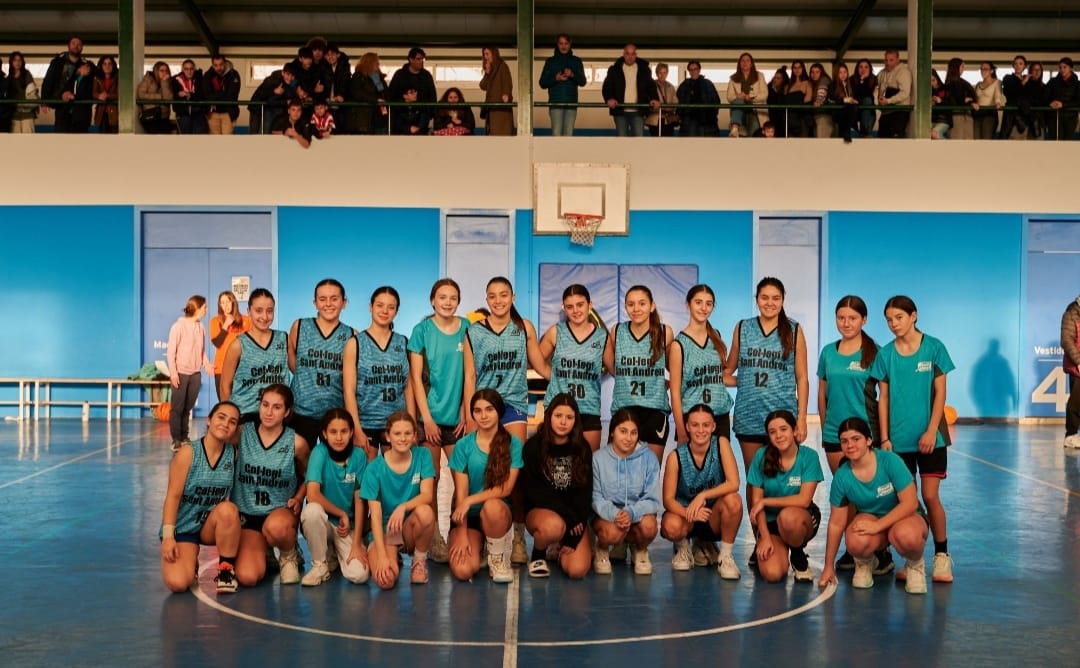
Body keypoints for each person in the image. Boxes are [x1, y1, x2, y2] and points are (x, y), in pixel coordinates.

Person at [870, 295, 955, 584]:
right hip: (897, 441)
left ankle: (941, 556)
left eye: (899, 317)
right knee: (908, 502)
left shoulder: (934, 348)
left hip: (931, 438)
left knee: (930, 497)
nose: (894, 324)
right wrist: (885, 438)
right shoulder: (885, 355)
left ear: (914, 316)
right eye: (889, 320)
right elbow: (883, 399)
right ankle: (913, 559)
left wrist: (931, 431)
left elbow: (941, 393)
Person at [463, 276, 548, 564]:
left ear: (513, 297)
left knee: (515, 470)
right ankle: (485, 531)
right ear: (486, 300)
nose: (498, 300)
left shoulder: (523, 328)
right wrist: (469, 414)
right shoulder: (474, 332)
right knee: (483, 469)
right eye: (492, 296)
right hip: (484, 407)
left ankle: (518, 535)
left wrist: (563, 380)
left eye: (503, 295)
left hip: (513, 406)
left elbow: (539, 364)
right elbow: (470, 376)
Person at [817, 417, 930, 594]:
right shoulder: (842, 476)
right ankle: (865, 563)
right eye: (844, 441)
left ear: (869, 440)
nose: (850, 445)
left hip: (905, 517)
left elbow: (910, 503)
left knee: (906, 536)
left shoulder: (889, 461)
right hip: (871, 519)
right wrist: (828, 566)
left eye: (856, 439)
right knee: (855, 540)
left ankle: (915, 565)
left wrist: (878, 525)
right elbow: (836, 523)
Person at [816, 295, 882, 571]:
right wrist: (825, 428)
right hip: (835, 435)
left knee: (869, 495)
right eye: (841, 318)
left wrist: (883, 436)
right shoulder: (828, 353)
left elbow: (885, 396)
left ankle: (880, 551)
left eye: (852, 318)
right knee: (847, 493)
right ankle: (853, 548)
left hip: (866, 435)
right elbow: (822, 394)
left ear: (863, 320)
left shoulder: (875, 352)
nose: (846, 323)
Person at [408, 278, 470, 563]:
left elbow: (469, 375)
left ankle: (459, 530)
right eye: (442, 297)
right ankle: (434, 538)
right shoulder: (421, 331)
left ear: (458, 301)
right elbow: (416, 380)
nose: (447, 302)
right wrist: (427, 420)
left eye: (452, 298)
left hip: (457, 420)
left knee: (464, 479)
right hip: (429, 419)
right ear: (432, 300)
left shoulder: (467, 328)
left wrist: (466, 411)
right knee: (430, 481)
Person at [726, 277, 808, 483]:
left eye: (775, 298)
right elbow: (728, 370)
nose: (770, 303)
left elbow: (802, 378)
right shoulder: (743, 328)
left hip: (783, 416)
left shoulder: (794, 330)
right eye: (764, 297)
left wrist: (801, 419)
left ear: (782, 300)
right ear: (757, 299)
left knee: (783, 480)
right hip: (749, 416)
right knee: (754, 479)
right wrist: (743, 381)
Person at [159, 401, 241, 594]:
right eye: (221, 417)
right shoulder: (188, 453)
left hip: (209, 525)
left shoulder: (233, 455)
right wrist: (168, 537)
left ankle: (226, 571)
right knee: (178, 583)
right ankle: (190, 559)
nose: (225, 424)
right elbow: (172, 496)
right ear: (209, 420)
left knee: (228, 510)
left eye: (232, 421)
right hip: (184, 526)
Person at [232, 384, 309, 587]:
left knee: (276, 528)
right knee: (247, 577)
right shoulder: (242, 433)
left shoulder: (297, 443)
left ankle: (289, 553)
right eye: (265, 405)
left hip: (279, 513)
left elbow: (309, 476)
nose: (269, 412)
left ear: (287, 412)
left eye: (277, 407)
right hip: (248, 515)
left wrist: (299, 498)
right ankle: (264, 550)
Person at [447, 389, 524, 584]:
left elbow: (506, 489)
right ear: (472, 414)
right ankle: (480, 545)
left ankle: (496, 558)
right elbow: (461, 494)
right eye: (478, 410)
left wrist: (470, 500)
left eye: (489, 409)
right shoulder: (463, 446)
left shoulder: (513, 444)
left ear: (499, 411)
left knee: (492, 505)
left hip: (497, 514)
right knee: (463, 571)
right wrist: (462, 534)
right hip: (469, 517)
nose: (483, 415)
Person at [660, 404, 743, 578]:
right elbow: (668, 500)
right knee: (671, 525)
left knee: (734, 501)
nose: (700, 430)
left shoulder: (721, 444)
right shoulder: (676, 456)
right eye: (695, 425)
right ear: (687, 427)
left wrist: (703, 495)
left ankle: (725, 557)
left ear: (713, 426)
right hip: (686, 516)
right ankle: (682, 548)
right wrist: (689, 513)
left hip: (711, 516)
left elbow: (734, 483)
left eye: (706, 425)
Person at [521, 393, 593, 579]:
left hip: (573, 517)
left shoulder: (582, 448)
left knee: (577, 570)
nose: (563, 422)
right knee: (553, 526)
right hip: (542, 513)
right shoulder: (533, 447)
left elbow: (585, 493)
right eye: (558, 416)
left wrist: (575, 530)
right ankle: (538, 555)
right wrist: (569, 517)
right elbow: (534, 492)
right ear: (549, 417)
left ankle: (560, 547)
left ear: (575, 421)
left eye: (569, 417)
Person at [360, 412, 437, 588]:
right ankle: (389, 554)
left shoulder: (422, 455)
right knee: (386, 581)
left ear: (414, 436)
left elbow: (427, 495)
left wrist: (403, 507)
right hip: (385, 531)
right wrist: (381, 557)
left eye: (408, 433)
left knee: (425, 512)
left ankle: (419, 562)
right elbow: (376, 516)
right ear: (388, 436)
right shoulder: (374, 469)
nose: (403, 438)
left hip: (408, 528)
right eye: (397, 433)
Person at [747, 410, 823, 583]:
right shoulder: (761, 456)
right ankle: (775, 547)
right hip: (770, 522)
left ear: (794, 430)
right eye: (772, 432)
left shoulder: (809, 456)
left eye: (783, 429)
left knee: (788, 517)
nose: (778, 435)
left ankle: (797, 554)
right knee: (772, 574)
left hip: (799, 518)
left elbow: (804, 500)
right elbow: (756, 504)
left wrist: (766, 501)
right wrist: (765, 537)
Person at [300, 408, 370, 586]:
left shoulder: (359, 456)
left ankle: (334, 552)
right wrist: (341, 513)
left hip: (346, 528)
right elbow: (312, 494)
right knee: (311, 511)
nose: (339, 437)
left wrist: (356, 544)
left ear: (351, 432)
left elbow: (360, 501)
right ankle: (320, 565)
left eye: (344, 431)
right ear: (324, 433)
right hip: (324, 521)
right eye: (333, 432)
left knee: (359, 575)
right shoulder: (319, 453)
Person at [605, 284, 674, 461]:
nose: (636, 309)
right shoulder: (617, 331)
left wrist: (663, 382)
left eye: (642, 303)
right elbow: (612, 367)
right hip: (624, 407)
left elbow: (673, 368)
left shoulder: (665, 332)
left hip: (655, 410)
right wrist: (627, 377)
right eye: (631, 304)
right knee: (618, 469)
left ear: (652, 306)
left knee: (651, 469)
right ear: (626, 307)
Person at [538, 284, 608, 451]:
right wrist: (553, 376)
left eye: (580, 305)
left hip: (589, 408)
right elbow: (537, 360)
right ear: (564, 308)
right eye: (569, 306)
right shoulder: (556, 332)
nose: (575, 310)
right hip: (558, 407)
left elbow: (616, 369)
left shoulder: (602, 337)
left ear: (590, 305)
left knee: (588, 462)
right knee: (555, 461)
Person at [592, 408, 662, 575]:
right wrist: (615, 514)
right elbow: (596, 497)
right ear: (612, 432)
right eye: (623, 431)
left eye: (633, 433)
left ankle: (640, 550)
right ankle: (602, 548)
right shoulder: (598, 458)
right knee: (611, 533)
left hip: (635, 516)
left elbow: (652, 499)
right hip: (608, 518)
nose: (628, 438)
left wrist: (631, 512)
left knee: (649, 526)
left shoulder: (649, 458)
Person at [288, 279, 355, 452]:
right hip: (301, 411)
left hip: (334, 415)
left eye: (334, 298)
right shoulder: (300, 326)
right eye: (322, 299)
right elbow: (292, 360)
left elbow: (351, 377)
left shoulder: (352, 335)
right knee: (299, 463)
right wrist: (307, 377)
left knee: (334, 464)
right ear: (315, 303)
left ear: (344, 303)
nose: (328, 304)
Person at [343, 286, 413, 453]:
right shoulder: (355, 343)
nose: (385, 311)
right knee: (367, 470)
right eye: (380, 305)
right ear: (371, 307)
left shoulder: (403, 342)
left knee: (396, 469)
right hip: (366, 423)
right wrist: (356, 429)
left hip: (397, 423)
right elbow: (348, 391)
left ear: (396, 311)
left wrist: (411, 423)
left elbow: (408, 387)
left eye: (391, 307)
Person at [668, 284, 734, 447]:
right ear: (688, 304)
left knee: (720, 463)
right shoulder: (678, 345)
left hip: (720, 416)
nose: (704, 308)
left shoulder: (716, 336)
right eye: (698, 302)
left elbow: (717, 377)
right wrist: (681, 430)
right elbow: (675, 393)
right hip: (693, 419)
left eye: (708, 304)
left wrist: (746, 379)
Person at [219, 288, 289, 424]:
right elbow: (224, 386)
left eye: (269, 311)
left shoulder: (283, 339)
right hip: (246, 415)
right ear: (248, 311)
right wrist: (230, 418)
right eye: (258, 311)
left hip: (276, 416)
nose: (264, 316)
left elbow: (299, 368)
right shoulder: (238, 345)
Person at [167, 295, 214, 452]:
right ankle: (176, 439)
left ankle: (184, 437)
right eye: (204, 307)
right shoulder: (178, 327)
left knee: (187, 408)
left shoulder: (201, 327)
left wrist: (206, 364)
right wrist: (174, 373)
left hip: (195, 374)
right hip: (181, 373)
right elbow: (171, 352)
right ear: (197, 308)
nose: (206, 310)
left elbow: (202, 351)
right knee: (177, 408)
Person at [601, 43, 659, 137]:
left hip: (638, 111)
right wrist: (609, 98)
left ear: (636, 55)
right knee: (622, 138)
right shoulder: (614, 69)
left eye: (632, 54)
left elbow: (651, 86)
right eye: (627, 54)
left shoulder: (644, 69)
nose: (630, 57)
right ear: (623, 54)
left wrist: (654, 98)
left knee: (638, 137)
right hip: (620, 111)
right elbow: (607, 87)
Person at [539, 33, 586, 136]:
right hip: (555, 103)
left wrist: (572, 75)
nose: (563, 46)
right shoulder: (550, 61)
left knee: (568, 134)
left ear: (570, 44)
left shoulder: (577, 61)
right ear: (557, 44)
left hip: (571, 104)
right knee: (556, 133)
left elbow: (583, 82)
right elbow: (542, 83)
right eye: (561, 43)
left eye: (566, 43)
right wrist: (556, 78)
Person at [387, 47, 437, 135]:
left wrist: (430, 114)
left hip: (421, 116)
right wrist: (405, 101)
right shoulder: (399, 75)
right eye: (418, 59)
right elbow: (391, 95)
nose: (421, 61)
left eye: (423, 59)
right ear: (411, 59)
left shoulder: (426, 76)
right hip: (401, 116)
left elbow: (432, 96)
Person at [210, 290, 250, 400]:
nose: (225, 305)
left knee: (241, 403)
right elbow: (217, 343)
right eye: (222, 302)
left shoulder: (246, 320)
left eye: (228, 301)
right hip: (221, 368)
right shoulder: (215, 321)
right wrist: (226, 325)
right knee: (225, 404)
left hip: (241, 368)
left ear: (233, 302)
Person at [41, 36, 85, 133]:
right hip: (61, 106)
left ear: (82, 48)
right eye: (73, 43)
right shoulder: (57, 62)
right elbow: (48, 81)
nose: (76, 46)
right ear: (68, 46)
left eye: (79, 44)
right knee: (61, 136)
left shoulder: (85, 64)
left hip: (78, 109)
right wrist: (44, 101)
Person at [726, 52, 768, 138]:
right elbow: (729, 97)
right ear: (739, 63)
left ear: (751, 63)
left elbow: (765, 94)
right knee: (738, 100)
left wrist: (750, 97)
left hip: (754, 111)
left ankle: (735, 127)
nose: (745, 63)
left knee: (754, 137)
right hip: (739, 112)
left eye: (747, 60)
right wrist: (738, 96)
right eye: (742, 61)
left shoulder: (759, 76)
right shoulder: (733, 78)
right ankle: (735, 128)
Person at [249, 63, 299, 135]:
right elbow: (266, 97)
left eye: (292, 76)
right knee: (255, 132)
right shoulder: (274, 80)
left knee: (265, 130)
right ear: (283, 73)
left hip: (269, 108)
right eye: (288, 74)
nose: (290, 78)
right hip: (256, 106)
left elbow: (288, 95)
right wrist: (274, 92)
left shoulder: (287, 83)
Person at [677, 60, 721, 137]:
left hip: (707, 121)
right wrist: (682, 116)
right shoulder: (684, 85)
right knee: (691, 143)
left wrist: (711, 116)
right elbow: (678, 101)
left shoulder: (708, 84)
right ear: (689, 71)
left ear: (699, 70)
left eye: (695, 69)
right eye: (691, 70)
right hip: (689, 121)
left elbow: (716, 101)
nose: (693, 71)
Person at [349, 52, 389, 135]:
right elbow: (357, 93)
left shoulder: (377, 77)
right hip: (364, 118)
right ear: (369, 63)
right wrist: (375, 99)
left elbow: (384, 92)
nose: (378, 64)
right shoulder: (358, 76)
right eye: (376, 62)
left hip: (379, 116)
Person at [877, 49, 913, 138]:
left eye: (891, 60)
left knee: (896, 140)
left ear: (897, 60)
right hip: (886, 112)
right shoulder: (882, 73)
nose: (888, 63)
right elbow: (875, 86)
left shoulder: (903, 72)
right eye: (886, 60)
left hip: (899, 112)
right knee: (882, 140)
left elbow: (905, 93)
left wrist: (888, 101)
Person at [202, 55, 241, 134]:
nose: (219, 68)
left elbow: (231, 96)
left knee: (227, 140)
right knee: (214, 140)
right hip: (213, 113)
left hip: (228, 113)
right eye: (216, 65)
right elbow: (207, 95)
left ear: (225, 63)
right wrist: (223, 92)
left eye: (221, 64)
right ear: (212, 65)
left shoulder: (234, 74)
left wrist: (214, 96)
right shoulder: (208, 75)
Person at [480, 47, 514, 136]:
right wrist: (487, 73)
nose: (485, 57)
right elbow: (482, 86)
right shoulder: (490, 70)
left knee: (501, 136)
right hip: (491, 111)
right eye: (484, 54)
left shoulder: (502, 66)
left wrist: (507, 95)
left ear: (493, 54)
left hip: (500, 110)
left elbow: (507, 83)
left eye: (487, 54)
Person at [1046, 57, 1079, 141]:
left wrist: (1063, 104)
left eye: (1065, 67)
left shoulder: (1077, 84)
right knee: (1054, 141)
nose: (1062, 70)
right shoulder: (1052, 82)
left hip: (1070, 118)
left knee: (1067, 142)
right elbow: (1045, 96)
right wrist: (1050, 103)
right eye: (1060, 67)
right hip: (1054, 117)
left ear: (1071, 68)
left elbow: (1078, 101)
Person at [943, 58, 976, 140]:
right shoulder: (951, 84)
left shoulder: (957, 82)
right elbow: (959, 99)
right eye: (962, 66)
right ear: (956, 67)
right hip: (957, 116)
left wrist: (968, 100)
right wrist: (967, 101)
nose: (963, 69)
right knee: (958, 139)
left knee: (966, 139)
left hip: (965, 115)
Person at [137, 61, 174, 134]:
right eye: (161, 70)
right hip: (150, 114)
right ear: (156, 71)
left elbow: (168, 98)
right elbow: (141, 94)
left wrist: (164, 82)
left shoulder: (169, 82)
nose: (164, 73)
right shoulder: (148, 79)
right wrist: (159, 97)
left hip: (164, 116)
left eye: (166, 70)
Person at [171, 59, 207, 134]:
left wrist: (189, 95)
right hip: (183, 114)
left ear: (194, 69)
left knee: (199, 137)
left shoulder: (200, 79)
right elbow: (174, 97)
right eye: (186, 69)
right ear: (183, 70)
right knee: (184, 137)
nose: (189, 71)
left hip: (198, 113)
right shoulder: (175, 80)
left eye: (191, 69)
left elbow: (202, 95)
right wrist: (181, 95)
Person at [1063, 296, 1080, 448]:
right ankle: (1071, 435)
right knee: (1076, 401)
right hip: (1076, 365)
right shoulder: (1070, 314)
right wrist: (1078, 361)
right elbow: (1066, 340)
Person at [6, 52, 38, 133]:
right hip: (14, 115)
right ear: (11, 62)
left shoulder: (27, 75)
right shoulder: (9, 78)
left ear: (22, 62)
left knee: (28, 139)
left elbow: (32, 94)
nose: (17, 62)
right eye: (15, 60)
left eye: (19, 60)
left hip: (27, 114)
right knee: (15, 140)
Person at [324, 44, 352, 133]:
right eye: (327, 55)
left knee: (341, 132)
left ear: (338, 55)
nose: (330, 57)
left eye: (332, 54)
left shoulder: (344, 68)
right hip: (327, 106)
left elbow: (346, 84)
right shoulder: (323, 68)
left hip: (341, 107)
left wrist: (342, 95)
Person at [973, 62, 1004, 140]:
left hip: (990, 114)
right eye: (981, 69)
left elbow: (997, 95)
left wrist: (997, 103)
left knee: (986, 138)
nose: (983, 71)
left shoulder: (997, 82)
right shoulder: (978, 84)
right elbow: (974, 98)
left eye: (986, 69)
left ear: (991, 71)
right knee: (976, 139)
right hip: (978, 114)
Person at [62, 59, 94, 133]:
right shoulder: (74, 79)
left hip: (82, 115)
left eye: (88, 67)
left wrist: (74, 97)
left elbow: (88, 94)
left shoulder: (90, 80)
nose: (86, 68)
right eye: (83, 66)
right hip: (70, 115)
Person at [829, 62, 859, 142]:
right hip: (838, 114)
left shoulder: (850, 84)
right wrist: (844, 100)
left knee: (850, 107)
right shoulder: (833, 85)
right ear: (836, 74)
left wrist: (854, 101)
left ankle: (847, 132)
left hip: (848, 114)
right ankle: (847, 132)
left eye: (845, 72)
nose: (843, 74)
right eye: (840, 72)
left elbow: (855, 97)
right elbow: (831, 99)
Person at [646, 62, 678, 137]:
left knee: (668, 141)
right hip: (655, 119)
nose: (662, 75)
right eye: (660, 72)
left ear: (667, 73)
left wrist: (671, 108)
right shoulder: (651, 85)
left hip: (668, 119)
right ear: (656, 73)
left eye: (664, 72)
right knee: (656, 140)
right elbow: (648, 100)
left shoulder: (671, 87)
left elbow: (675, 102)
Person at [783, 60, 813, 137]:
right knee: (790, 143)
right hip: (789, 120)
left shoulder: (808, 83)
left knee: (802, 142)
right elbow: (784, 102)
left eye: (799, 67)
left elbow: (807, 101)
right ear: (792, 69)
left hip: (802, 119)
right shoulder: (787, 86)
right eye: (795, 68)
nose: (797, 70)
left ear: (803, 69)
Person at [851, 58, 877, 137]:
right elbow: (858, 93)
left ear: (870, 69)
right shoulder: (852, 79)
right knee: (866, 100)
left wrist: (863, 80)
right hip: (856, 111)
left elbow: (867, 93)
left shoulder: (873, 79)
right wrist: (862, 80)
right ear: (857, 69)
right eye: (861, 67)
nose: (863, 69)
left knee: (867, 100)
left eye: (866, 67)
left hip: (869, 112)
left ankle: (865, 132)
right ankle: (865, 132)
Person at [92, 55, 118, 134]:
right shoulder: (97, 78)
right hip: (101, 114)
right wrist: (99, 96)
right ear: (101, 66)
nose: (107, 66)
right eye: (104, 64)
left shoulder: (118, 77)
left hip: (115, 114)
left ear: (113, 66)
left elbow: (120, 94)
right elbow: (93, 92)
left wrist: (108, 96)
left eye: (110, 64)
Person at [808, 62, 834, 138]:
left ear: (821, 73)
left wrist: (818, 101)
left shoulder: (824, 79)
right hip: (818, 116)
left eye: (817, 72)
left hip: (824, 117)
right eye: (812, 72)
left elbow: (822, 92)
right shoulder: (813, 84)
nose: (814, 74)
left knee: (821, 143)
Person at [766, 67, 790, 137]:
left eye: (778, 78)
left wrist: (784, 93)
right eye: (775, 77)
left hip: (782, 119)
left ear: (783, 80)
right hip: (771, 117)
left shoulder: (786, 89)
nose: (775, 80)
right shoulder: (768, 88)